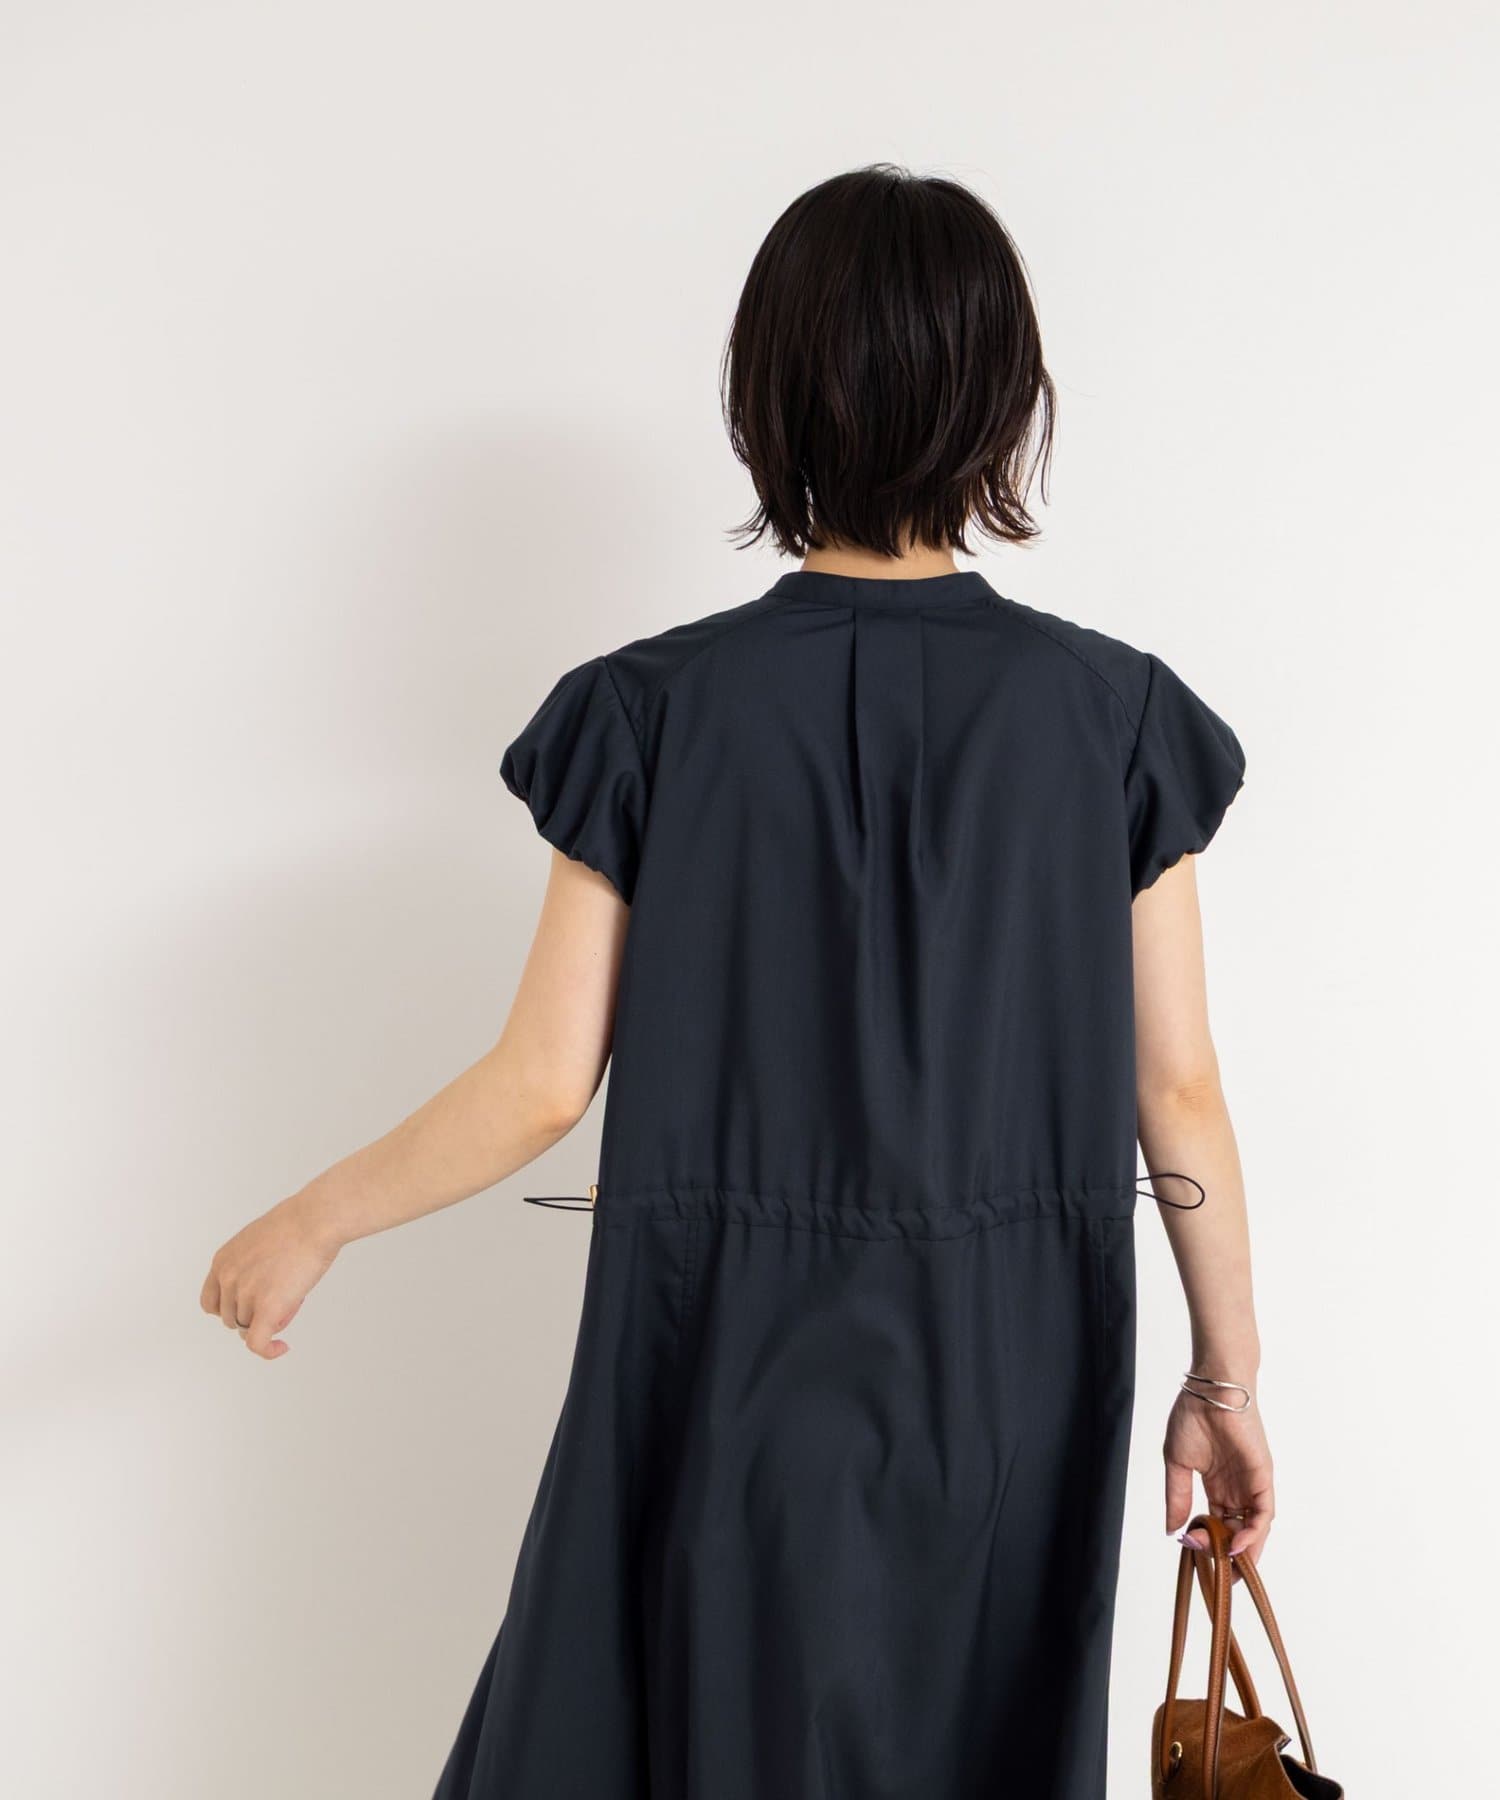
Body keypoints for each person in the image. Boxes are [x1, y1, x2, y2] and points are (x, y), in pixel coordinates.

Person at [199, 163, 1271, 1800]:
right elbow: (1176, 1088)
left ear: (767, 396)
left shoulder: (649, 715)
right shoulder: (1114, 719)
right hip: (1019, 1386)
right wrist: (1224, 1379)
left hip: (726, 1370)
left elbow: (541, 1084)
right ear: (1007, 400)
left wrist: (314, 1218)